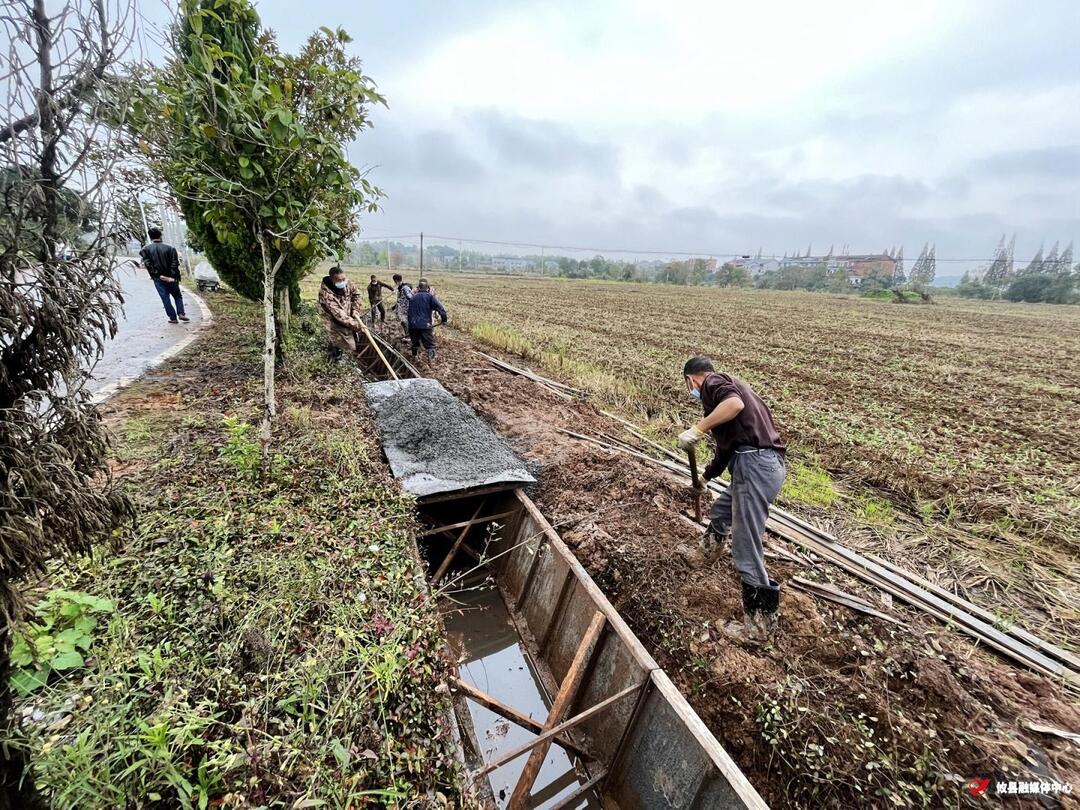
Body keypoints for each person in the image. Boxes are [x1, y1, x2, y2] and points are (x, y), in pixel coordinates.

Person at [677, 356, 786, 643]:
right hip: (756, 464)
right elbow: (726, 450)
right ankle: (705, 554)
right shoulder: (731, 389)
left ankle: (759, 629)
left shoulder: (713, 382)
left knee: (745, 543)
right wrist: (706, 476)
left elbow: (733, 405)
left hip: (756, 466)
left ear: (692, 379)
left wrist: (698, 428)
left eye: (690, 387)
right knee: (721, 511)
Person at [140, 227, 187, 324]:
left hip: (158, 279)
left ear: (150, 236)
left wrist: (158, 275)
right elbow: (175, 264)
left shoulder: (146, 250)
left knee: (165, 298)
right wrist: (172, 277)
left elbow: (148, 265)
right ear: (160, 236)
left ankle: (173, 318)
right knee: (177, 296)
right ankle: (181, 313)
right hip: (171, 278)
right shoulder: (170, 249)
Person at [318, 265, 365, 358]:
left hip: (347, 320)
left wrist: (355, 309)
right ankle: (334, 362)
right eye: (340, 280)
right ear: (332, 279)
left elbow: (357, 294)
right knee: (337, 347)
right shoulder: (325, 294)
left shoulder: (347, 283)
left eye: (344, 279)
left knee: (349, 346)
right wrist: (359, 326)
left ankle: (343, 359)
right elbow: (339, 315)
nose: (343, 282)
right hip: (334, 325)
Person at [406, 278, 448, 362]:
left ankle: (415, 358)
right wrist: (444, 319)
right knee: (430, 345)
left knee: (415, 342)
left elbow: (409, 313)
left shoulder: (413, 298)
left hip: (412, 325)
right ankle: (431, 362)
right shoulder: (430, 297)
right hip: (425, 325)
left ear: (418, 288)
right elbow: (441, 309)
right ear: (427, 288)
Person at [393, 273, 413, 337]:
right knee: (403, 321)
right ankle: (407, 334)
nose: (395, 283)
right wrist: (395, 306)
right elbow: (399, 299)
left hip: (406, 308)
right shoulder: (400, 288)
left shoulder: (405, 288)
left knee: (405, 322)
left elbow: (410, 297)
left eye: (395, 281)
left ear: (396, 281)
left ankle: (408, 335)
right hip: (402, 308)